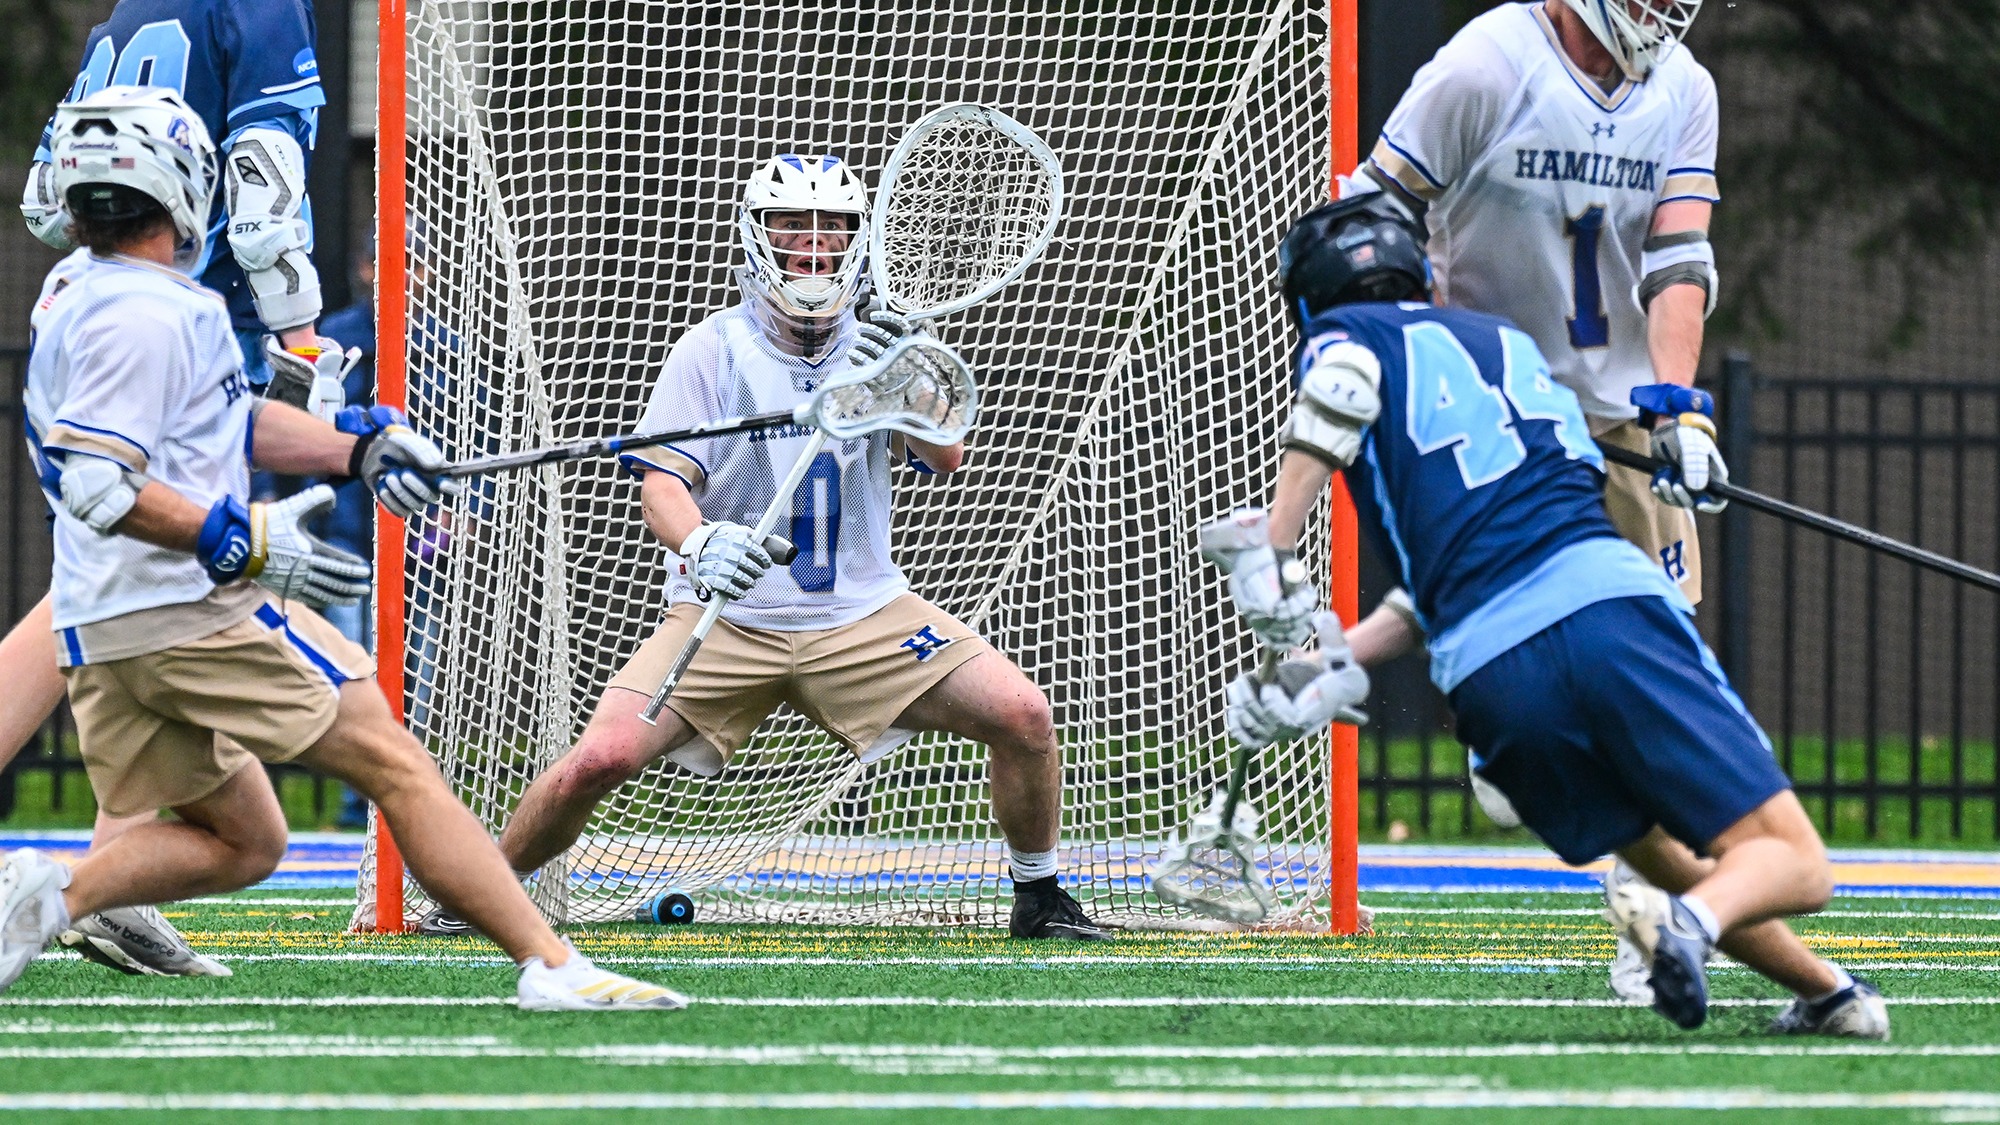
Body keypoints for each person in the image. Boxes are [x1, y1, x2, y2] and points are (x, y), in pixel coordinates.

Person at [0, 86, 682, 1011]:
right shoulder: (154, 312)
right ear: (179, 182)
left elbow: (220, 422)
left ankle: (50, 902)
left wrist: (358, 447)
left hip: (104, 622)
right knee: (394, 762)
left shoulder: (79, 290)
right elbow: (100, 482)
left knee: (249, 844)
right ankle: (550, 963)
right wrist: (234, 540)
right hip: (188, 610)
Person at [1219, 192, 1885, 1038]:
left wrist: (1314, 610)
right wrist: (1288, 572)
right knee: (1796, 861)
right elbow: (1526, 520)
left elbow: (1363, 411)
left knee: (1663, 855)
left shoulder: (1345, 343)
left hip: (1491, 671)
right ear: (1416, 271)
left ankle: (1829, 992)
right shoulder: (1511, 347)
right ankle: (1685, 928)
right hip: (1605, 609)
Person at [415, 153, 1110, 942]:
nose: (813, 246)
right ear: (758, 237)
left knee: (1023, 712)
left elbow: (947, 456)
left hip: (862, 614)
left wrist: (901, 370)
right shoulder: (710, 350)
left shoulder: (885, 347)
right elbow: (662, 487)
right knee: (598, 761)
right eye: (793, 227)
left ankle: (1039, 894)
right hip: (729, 616)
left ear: (860, 239)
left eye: (833, 228)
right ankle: (481, 892)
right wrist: (703, 540)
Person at [1343, 0, 1729, 999]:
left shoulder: (1683, 88)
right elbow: (1371, 216)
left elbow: (1676, 259)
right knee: (1532, 674)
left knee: (1662, 665)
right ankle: (1506, 726)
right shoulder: (1485, 63)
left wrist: (1680, 412)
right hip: (1492, 405)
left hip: (1611, 407)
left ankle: (1648, 920)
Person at [2, 0, 360, 972]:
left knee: (122, 587)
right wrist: (295, 338)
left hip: (92, 293)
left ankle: (112, 875)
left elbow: (46, 199)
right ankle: (104, 881)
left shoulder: (127, 11)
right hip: (169, 311)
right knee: (113, 575)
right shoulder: (257, 6)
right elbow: (260, 198)